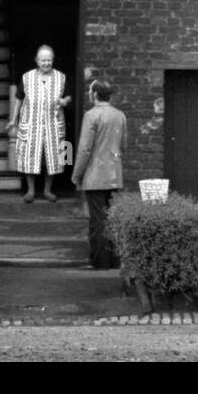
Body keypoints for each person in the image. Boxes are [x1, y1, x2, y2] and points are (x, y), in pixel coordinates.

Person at [71, 77, 126, 268]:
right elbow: (122, 146)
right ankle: (113, 260)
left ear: (94, 94)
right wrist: (114, 159)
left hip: (95, 176)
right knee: (109, 218)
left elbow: (85, 149)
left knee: (97, 221)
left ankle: (99, 262)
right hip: (114, 175)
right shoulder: (120, 115)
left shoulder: (91, 115)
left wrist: (76, 175)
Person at [7, 44, 70, 203]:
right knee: (29, 157)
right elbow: (18, 99)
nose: (46, 63)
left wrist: (64, 101)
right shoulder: (27, 77)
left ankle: (48, 191)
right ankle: (31, 191)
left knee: (55, 157)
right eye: (43, 60)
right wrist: (13, 120)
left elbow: (69, 96)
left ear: (53, 60)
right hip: (31, 124)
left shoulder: (61, 77)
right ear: (37, 60)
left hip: (53, 125)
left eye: (49, 60)